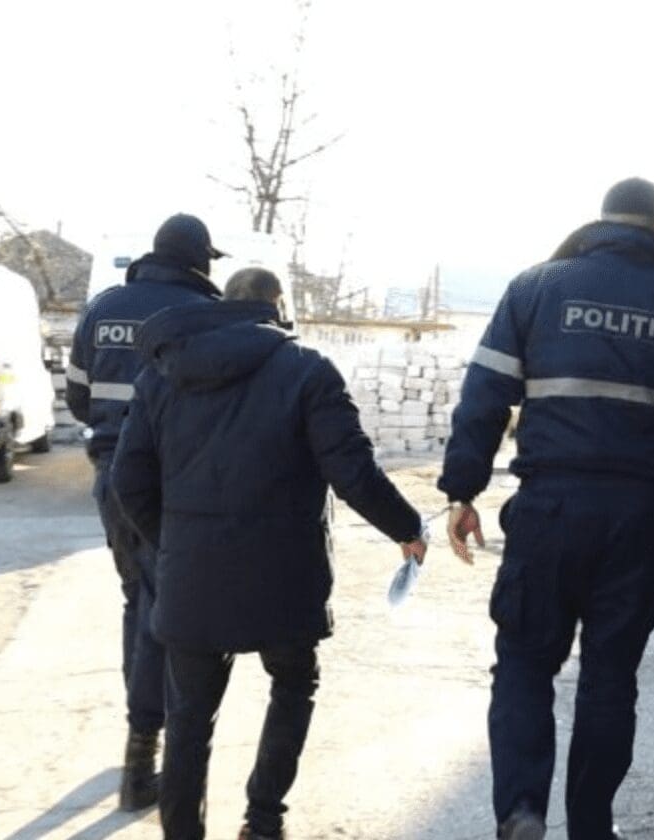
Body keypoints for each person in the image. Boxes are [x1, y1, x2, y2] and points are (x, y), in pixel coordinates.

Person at [438, 178, 654, 840]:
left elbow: (483, 398)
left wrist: (462, 492)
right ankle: (591, 826)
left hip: (549, 508)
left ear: (601, 220)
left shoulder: (535, 288)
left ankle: (522, 810)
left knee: (524, 664)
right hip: (640, 517)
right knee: (610, 679)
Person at [110, 267, 428, 840]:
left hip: (193, 578)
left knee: (188, 718)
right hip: (284, 576)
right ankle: (262, 822)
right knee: (294, 684)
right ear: (279, 308)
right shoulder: (307, 370)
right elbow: (352, 470)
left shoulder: (163, 374)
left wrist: (175, 541)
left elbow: (127, 481)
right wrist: (406, 528)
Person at [66, 213, 225, 811]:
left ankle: (141, 746)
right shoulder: (202, 315)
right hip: (172, 484)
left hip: (112, 479)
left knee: (139, 601)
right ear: (198, 259)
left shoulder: (104, 308)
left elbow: (78, 399)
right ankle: (145, 759)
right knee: (170, 613)